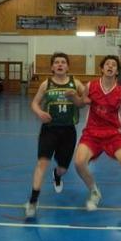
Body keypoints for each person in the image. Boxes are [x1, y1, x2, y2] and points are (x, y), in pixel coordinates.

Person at [74, 55, 121, 220]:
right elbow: (81, 103)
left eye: (113, 65)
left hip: (112, 133)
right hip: (92, 132)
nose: (110, 66)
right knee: (78, 162)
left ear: (117, 71)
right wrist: (75, 97)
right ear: (102, 69)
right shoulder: (91, 86)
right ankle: (94, 192)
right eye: (107, 64)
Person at [24, 53, 85, 218]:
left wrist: (75, 97)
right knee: (42, 163)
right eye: (56, 62)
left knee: (63, 169)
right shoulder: (46, 84)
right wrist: (39, 112)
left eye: (63, 62)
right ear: (52, 67)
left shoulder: (76, 83)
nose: (60, 64)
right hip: (49, 129)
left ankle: (57, 175)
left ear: (68, 67)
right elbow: (34, 103)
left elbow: (82, 103)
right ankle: (33, 201)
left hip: (68, 131)